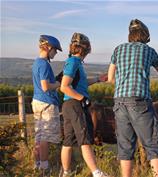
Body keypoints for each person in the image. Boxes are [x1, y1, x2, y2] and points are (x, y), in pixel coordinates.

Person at [107, 19, 158, 177]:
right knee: (153, 146)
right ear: (145, 36)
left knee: (126, 148)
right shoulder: (149, 51)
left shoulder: (118, 49)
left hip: (119, 103)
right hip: (140, 102)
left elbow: (110, 78)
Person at [59, 32, 110, 177]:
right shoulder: (73, 62)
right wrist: (83, 99)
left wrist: (98, 79)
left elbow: (79, 83)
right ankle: (97, 172)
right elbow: (64, 86)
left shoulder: (74, 63)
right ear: (86, 49)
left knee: (68, 141)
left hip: (68, 105)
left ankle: (66, 173)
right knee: (85, 138)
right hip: (75, 104)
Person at [32, 35, 62, 175]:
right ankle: (44, 167)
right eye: (55, 50)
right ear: (49, 48)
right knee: (46, 136)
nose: (55, 53)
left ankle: (37, 164)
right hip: (47, 102)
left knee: (38, 135)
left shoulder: (37, 62)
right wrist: (58, 84)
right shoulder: (44, 63)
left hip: (37, 101)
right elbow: (45, 86)